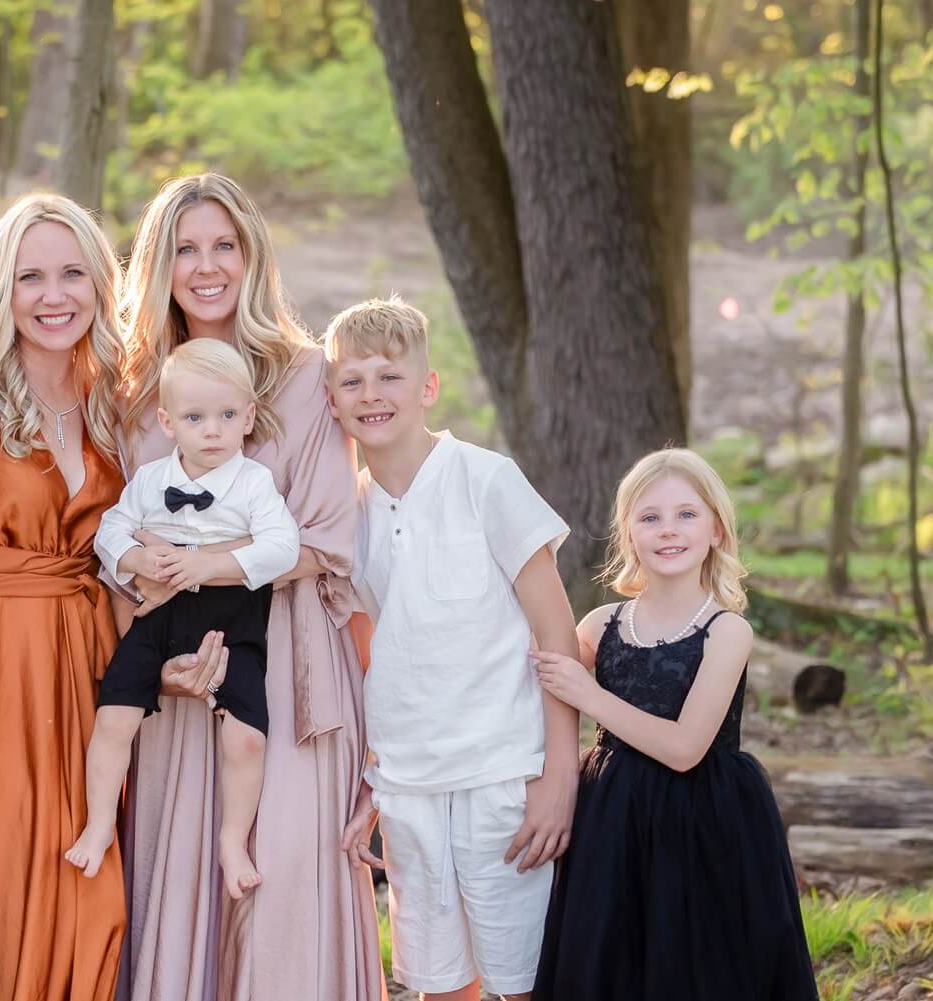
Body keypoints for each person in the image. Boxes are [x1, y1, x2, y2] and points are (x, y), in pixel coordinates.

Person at [113, 173, 385, 1001]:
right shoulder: (135, 399)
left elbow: (324, 542)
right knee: (184, 882)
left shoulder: (305, 378)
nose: (206, 266)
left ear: (252, 255)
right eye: (185, 248)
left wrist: (200, 561)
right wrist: (154, 649)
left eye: (223, 245)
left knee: (282, 889)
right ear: (157, 265)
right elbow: (120, 541)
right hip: (175, 670)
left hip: (287, 668)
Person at [325, 297, 580, 1001]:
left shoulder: (485, 479)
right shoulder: (346, 514)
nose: (371, 394)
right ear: (333, 399)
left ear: (428, 386)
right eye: (352, 381)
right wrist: (371, 782)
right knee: (440, 986)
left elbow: (558, 638)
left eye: (389, 376)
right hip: (409, 782)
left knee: (521, 980)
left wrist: (559, 775)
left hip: (502, 774)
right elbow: (372, 655)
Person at [0, 192, 130, 1001]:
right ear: (0, 290)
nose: (54, 296)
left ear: (100, 283)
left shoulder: (123, 394)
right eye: (30, 276)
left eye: (73, 273)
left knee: (97, 863)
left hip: (96, 651)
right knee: (7, 857)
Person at [530, 448, 818, 1001]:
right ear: (628, 534)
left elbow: (686, 748)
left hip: (705, 821)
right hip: (612, 818)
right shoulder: (599, 625)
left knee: (695, 965)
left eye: (686, 514)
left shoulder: (727, 631)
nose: (668, 530)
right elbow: (535, 686)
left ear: (716, 529)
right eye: (649, 517)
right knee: (611, 959)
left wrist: (589, 694)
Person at [68, 338, 299, 899]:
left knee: (246, 737)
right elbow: (110, 531)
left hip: (231, 618)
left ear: (249, 418)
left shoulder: (253, 483)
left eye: (226, 416)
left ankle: (232, 839)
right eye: (196, 417)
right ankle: (100, 823)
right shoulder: (149, 480)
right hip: (158, 615)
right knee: (113, 717)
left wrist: (207, 562)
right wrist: (138, 558)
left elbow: (283, 548)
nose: (212, 431)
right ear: (169, 422)